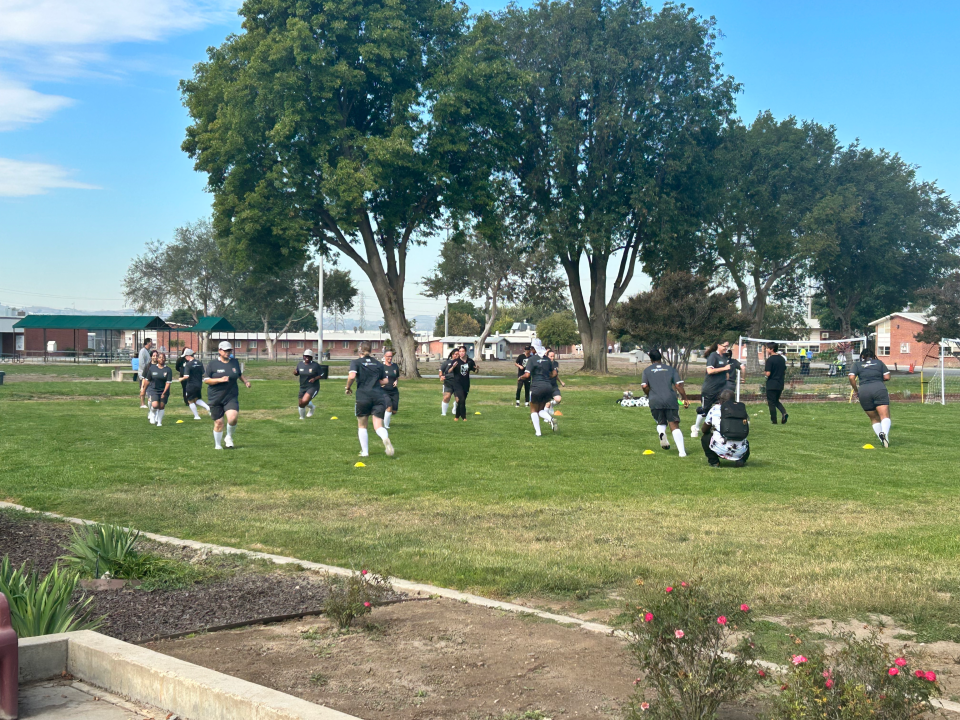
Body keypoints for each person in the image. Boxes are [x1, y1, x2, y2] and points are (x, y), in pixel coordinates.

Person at [345, 341, 394, 456]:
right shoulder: (378, 364)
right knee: (378, 425)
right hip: (378, 396)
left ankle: (365, 452)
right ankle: (385, 437)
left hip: (363, 396)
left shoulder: (356, 362)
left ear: (359, 350)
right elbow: (385, 380)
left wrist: (348, 387)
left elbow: (352, 376)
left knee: (362, 425)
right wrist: (375, 382)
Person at [640, 349, 689, 456]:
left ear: (651, 359)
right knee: (674, 424)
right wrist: (685, 398)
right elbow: (678, 385)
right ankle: (682, 452)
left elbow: (644, 386)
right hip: (670, 399)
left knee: (661, 422)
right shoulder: (670, 369)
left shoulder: (647, 371)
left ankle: (661, 432)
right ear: (661, 357)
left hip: (655, 400)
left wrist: (649, 394)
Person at [203, 340, 251, 450]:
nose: (227, 352)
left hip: (231, 396)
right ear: (219, 351)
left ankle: (228, 437)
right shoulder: (212, 364)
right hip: (215, 398)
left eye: (229, 350)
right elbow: (206, 380)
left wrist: (245, 382)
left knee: (233, 418)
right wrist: (220, 380)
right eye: (225, 350)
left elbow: (239, 374)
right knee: (219, 423)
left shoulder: (234, 362)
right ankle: (218, 445)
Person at [848, 347, 892, 447]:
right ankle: (885, 435)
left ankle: (883, 440)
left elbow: (851, 377)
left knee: (874, 418)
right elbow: (887, 377)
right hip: (879, 388)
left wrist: (856, 390)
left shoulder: (857, 364)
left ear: (862, 356)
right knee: (884, 415)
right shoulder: (879, 363)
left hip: (864, 390)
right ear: (873, 356)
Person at [701, 389, 750, 468]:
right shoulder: (741, 410)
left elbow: (704, 429)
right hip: (740, 450)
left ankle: (714, 462)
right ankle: (741, 460)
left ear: (721, 400)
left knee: (705, 438)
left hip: (720, 448)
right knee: (745, 440)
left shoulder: (715, 409)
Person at [692, 340, 731, 438]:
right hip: (710, 389)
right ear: (718, 345)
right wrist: (724, 369)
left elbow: (725, 371)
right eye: (724, 346)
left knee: (721, 408)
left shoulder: (725, 357)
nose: (726, 348)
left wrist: (727, 377)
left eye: (727, 346)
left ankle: (719, 429)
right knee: (705, 410)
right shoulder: (713, 356)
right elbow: (709, 371)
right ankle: (695, 428)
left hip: (721, 389)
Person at [520, 339, 557, 435]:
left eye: (532, 348)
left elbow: (527, 375)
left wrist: (521, 377)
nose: (531, 350)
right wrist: (546, 377)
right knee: (540, 410)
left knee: (533, 410)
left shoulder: (532, 359)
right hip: (548, 387)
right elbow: (554, 373)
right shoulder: (547, 359)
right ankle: (550, 418)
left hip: (536, 387)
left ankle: (538, 432)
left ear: (534, 349)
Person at [447, 346, 478, 421]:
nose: (461, 353)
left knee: (461, 401)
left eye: (463, 351)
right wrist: (453, 367)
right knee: (462, 399)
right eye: (460, 351)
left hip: (466, 383)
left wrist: (477, 369)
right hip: (457, 383)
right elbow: (449, 371)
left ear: (466, 352)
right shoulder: (456, 361)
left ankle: (457, 416)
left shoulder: (470, 361)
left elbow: (475, 371)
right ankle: (464, 417)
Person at [142, 352, 173, 427]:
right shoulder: (152, 368)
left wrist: (164, 393)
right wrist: (143, 390)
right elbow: (147, 380)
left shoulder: (168, 370)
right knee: (155, 405)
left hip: (164, 390)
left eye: (163, 358)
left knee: (161, 406)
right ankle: (152, 413)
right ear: (157, 359)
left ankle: (159, 422)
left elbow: (168, 383)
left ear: (165, 359)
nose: (161, 359)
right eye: (160, 357)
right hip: (154, 390)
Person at [178, 348, 209, 420]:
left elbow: (186, 376)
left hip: (191, 385)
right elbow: (203, 373)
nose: (185, 358)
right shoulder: (199, 363)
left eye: (185, 356)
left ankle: (197, 416)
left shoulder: (188, 365)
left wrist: (181, 379)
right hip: (199, 384)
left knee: (190, 400)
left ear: (188, 356)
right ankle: (207, 407)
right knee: (197, 399)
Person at [294, 348, 322, 420]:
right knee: (301, 403)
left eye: (309, 356)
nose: (307, 357)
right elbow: (297, 372)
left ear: (311, 357)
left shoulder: (315, 365)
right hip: (302, 386)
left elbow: (321, 374)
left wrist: (314, 378)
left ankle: (302, 418)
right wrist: (295, 373)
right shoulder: (300, 364)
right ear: (303, 356)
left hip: (313, 386)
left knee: (304, 402)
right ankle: (305, 414)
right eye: (305, 356)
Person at [764, 342, 788, 425]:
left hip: (771, 384)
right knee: (776, 400)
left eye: (767, 348)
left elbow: (768, 373)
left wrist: (764, 373)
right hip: (780, 383)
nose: (766, 349)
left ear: (772, 349)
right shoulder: (782, 359)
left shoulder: (770, 360)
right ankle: (784, 412)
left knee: (771, 402)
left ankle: (774, 421)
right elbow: (784, 371)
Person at [382, 349, 400, 428]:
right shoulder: (381, 367)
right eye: (388, 356)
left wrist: (396, 381)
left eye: (391, 356)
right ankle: (386, 426)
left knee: (394, 411)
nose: (390, 358)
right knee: (389, 406)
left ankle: (382, 414)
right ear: (384, 356)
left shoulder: (395, 366)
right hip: (383, 390)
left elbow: (397, 377)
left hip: (394, 390)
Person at [545, 349, 566, 417]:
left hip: (554, 385)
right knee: (547, 403)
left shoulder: (555, 363)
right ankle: (546, 417)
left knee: (558, 400)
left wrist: (561, 382)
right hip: (547, 385)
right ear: (547, 356)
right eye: (551, 356)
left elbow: (555, 375)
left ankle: (551, 405)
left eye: (553, 356)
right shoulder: (544, 364)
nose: (552, 358)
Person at [439, 349, 458, 416]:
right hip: (448, 383)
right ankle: (443, 413)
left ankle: (455, 407)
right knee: (446, 397)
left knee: (459, 400)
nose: (457, 355)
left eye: (458, 354)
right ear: (452, 355)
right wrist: (441, 376)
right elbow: (441, 371)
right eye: (455, 354)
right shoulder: (446, 362)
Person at [137, 339, 154, 408]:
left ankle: (150, 401)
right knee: (143, 388)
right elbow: (141, 363)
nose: (152, 343)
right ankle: (142, 403)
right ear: (148, 343)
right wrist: (145, 372)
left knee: (149, 388)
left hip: (149, 373)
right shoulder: (142, 351)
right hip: (143, 373)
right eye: (151, 342)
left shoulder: (149, 351)